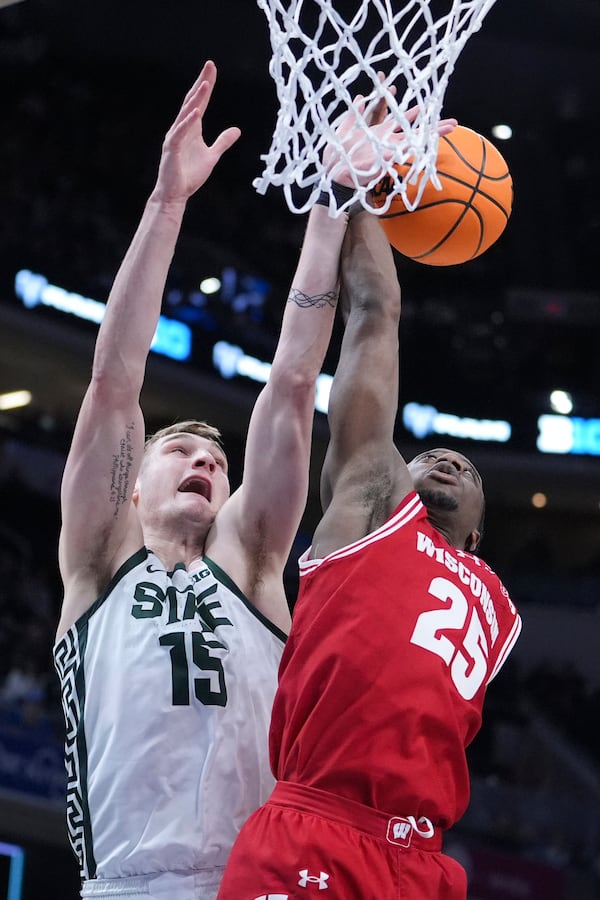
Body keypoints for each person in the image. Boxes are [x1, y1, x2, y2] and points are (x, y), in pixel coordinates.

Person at [52, 62, 413, 900]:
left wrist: (331, 196)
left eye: (216, 458)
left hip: (256, 883)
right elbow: (115, 377)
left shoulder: (251, 562)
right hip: (126, 887)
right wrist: (167, 203)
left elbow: (293, 379)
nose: (207, 461)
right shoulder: (99, 564)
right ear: (130, 489)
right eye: (180, 451)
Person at [217, 193, 523, 896]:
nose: (448, 462)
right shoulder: (376, 504)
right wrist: (358, 196)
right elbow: (377, 314)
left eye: (467, 468)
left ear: (477, 534)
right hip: (320, 824)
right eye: (431, 456)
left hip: (423, 863)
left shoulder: (498, 605)